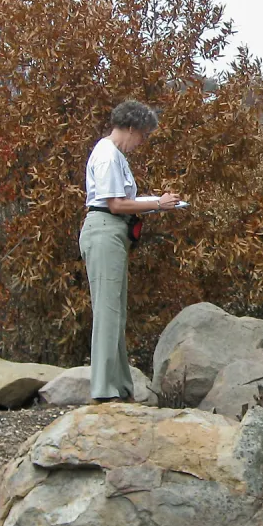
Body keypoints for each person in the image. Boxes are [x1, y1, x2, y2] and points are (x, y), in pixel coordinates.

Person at [80, 100, 182, 401]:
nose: (142, 142)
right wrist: (157, 203)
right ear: (131, 127)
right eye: (143, 135)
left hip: (114, 232)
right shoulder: (108, 156)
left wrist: (156, 203)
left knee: (116, 311)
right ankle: (102, 389)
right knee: (107, 312)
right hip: (104, 231)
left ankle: (120, 385)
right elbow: (115, 203)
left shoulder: (114, 156)